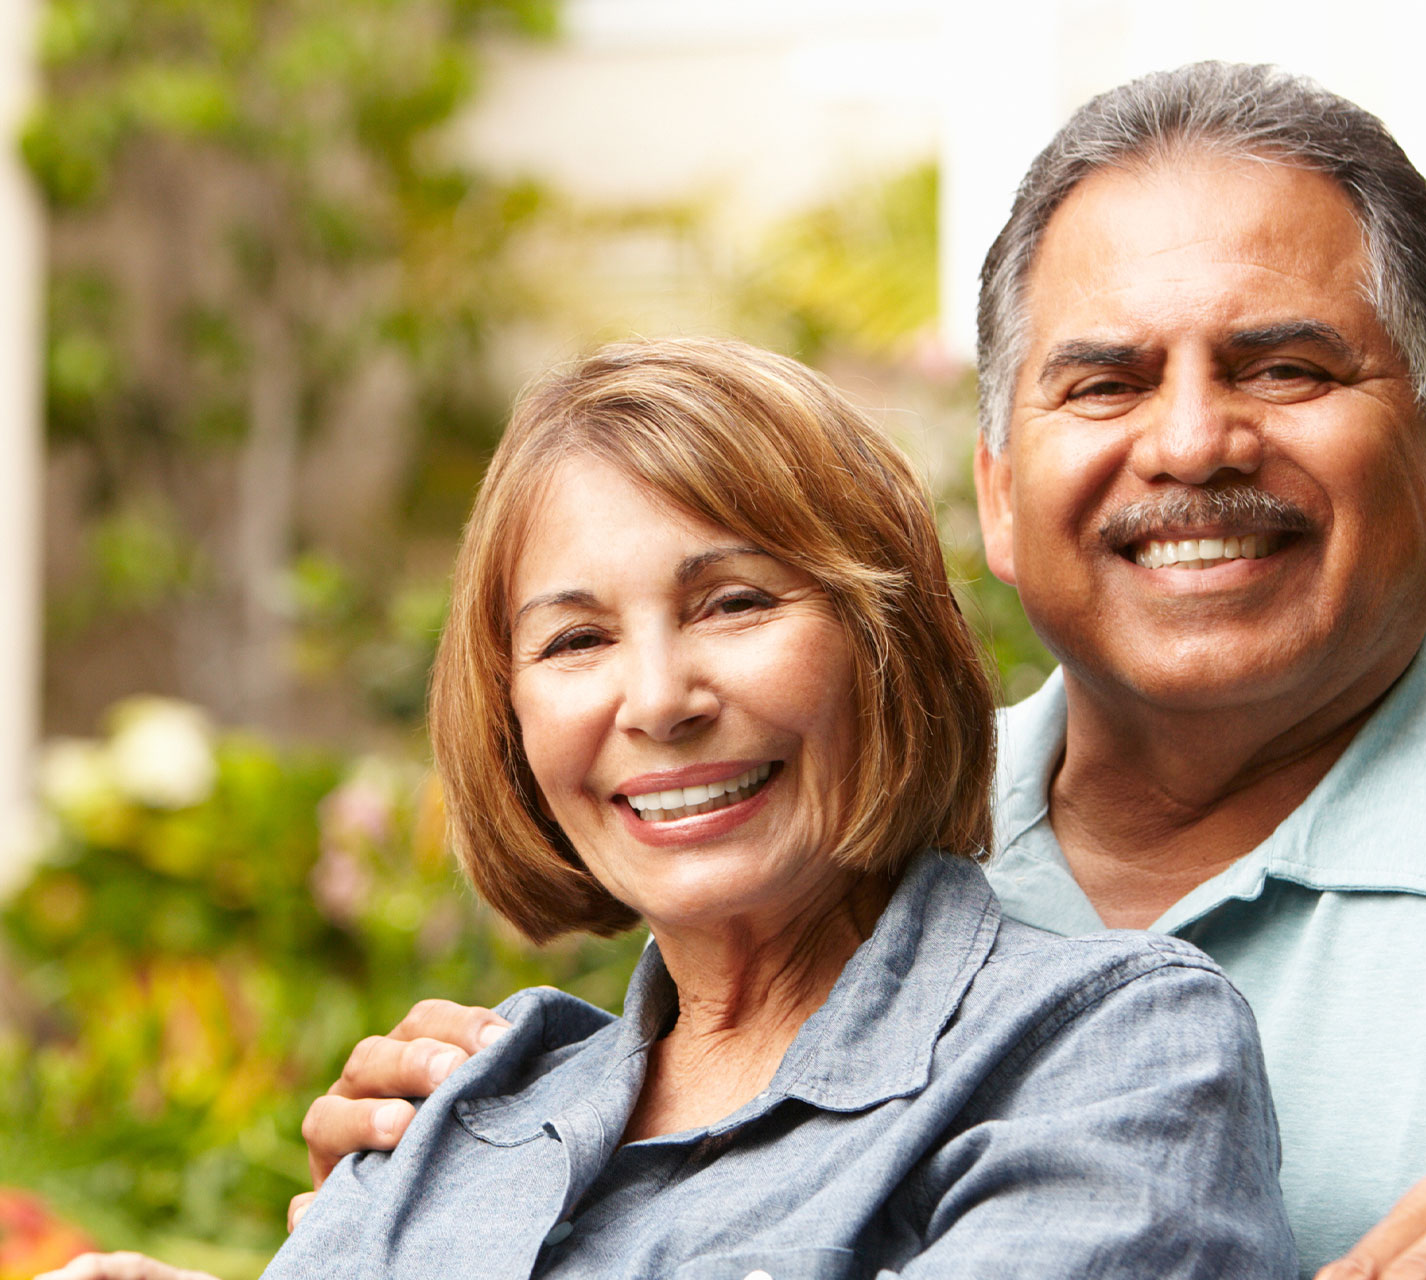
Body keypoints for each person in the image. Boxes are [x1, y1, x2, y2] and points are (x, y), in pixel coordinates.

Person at [299, 65, 1426, 1280]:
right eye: (1108, 380)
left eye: (1287, 366)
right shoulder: (826, 841)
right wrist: (460, 1184)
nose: (1196, 440)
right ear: (997, 490)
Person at [53, 337, 1291, 1280]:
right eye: (576, 638)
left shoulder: (1110, 1049)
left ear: (885, 641)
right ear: (513, 718)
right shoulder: (462, 1108)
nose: (656, 699)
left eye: (736, 603)